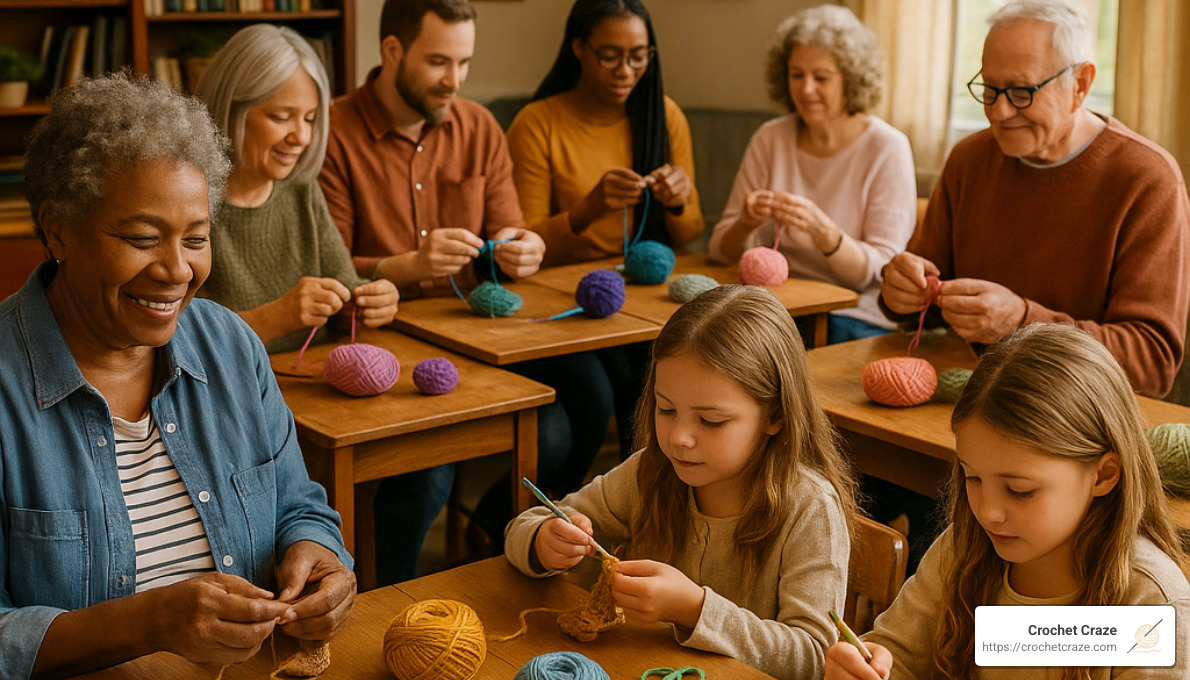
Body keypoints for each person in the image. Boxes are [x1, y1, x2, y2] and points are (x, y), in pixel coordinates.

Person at [1, 73, 355, 679]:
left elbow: (300, 505)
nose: (176, 270)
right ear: (58, 229)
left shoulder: (230, 347)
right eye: (141, 238)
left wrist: (318, 557)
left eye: (196, 238)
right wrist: (146, 624)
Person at [318, 0, 610, 585]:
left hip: (475, 332)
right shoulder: (332, 131)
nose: (455, 79)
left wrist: (519, 250)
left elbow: (508, 233)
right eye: (438, 62)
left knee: (586, 406)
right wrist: (407, 265)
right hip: (382, 339)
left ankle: (494, 535)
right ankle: (384, 592)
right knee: (428, 470)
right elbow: (325, 265)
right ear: (393, 51)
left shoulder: (478, 126)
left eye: (464, 62)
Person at [505, 285, 859, 680]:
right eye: (666, 408)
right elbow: (525, 525)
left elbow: (813, 657)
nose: (679, 437)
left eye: (711, 421)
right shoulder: (652, 472)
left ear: (775, 416)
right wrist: (543, 542)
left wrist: (694, 609)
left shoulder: (810, 509)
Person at [825, 324, 1190, 680]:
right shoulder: (963, 547)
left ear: (1103, 475)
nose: (987, 513)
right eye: (972, 478)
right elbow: (897, 655)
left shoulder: (1151, 602)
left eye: (1020, 491)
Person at [880, 0, 1190, 398]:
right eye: (989, 89)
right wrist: (900, 292)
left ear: (1080, 84)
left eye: (1021, 92)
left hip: (1077, 415)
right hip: (971, 397)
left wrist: (1023, 323)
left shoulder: (1148, 178)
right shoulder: (969, 159)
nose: (999, 112)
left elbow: (1151, 363)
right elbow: (924, 299)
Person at [708, 5, 916, 345]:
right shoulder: (770, 137)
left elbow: (879, 275)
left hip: (853, 316)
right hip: (774, 309)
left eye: (821, 78)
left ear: (851, 78)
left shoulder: (887, 147)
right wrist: (745, 222)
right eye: (796, 75)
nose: (806, 90)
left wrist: (827, 236)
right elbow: (719, 251)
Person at [193, 24, 398, 354]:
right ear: (229, 110)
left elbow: (346, 298)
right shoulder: (186, 201)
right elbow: (180, 342)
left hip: (313, 384)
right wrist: (276, 317)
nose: (302, 137)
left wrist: (371, 302)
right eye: (281, 116)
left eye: (310, 118)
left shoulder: (302, 190)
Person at [506, 0, 705, 268]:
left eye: (638, 57)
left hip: (651, 273)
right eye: (609, 57)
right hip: (566, 278)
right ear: (578, 47)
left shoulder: (666, 116)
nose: (625, 71)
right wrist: (589, 209)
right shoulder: (536, 124)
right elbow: (520, 248)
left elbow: (691, 233)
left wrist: (678, 203)